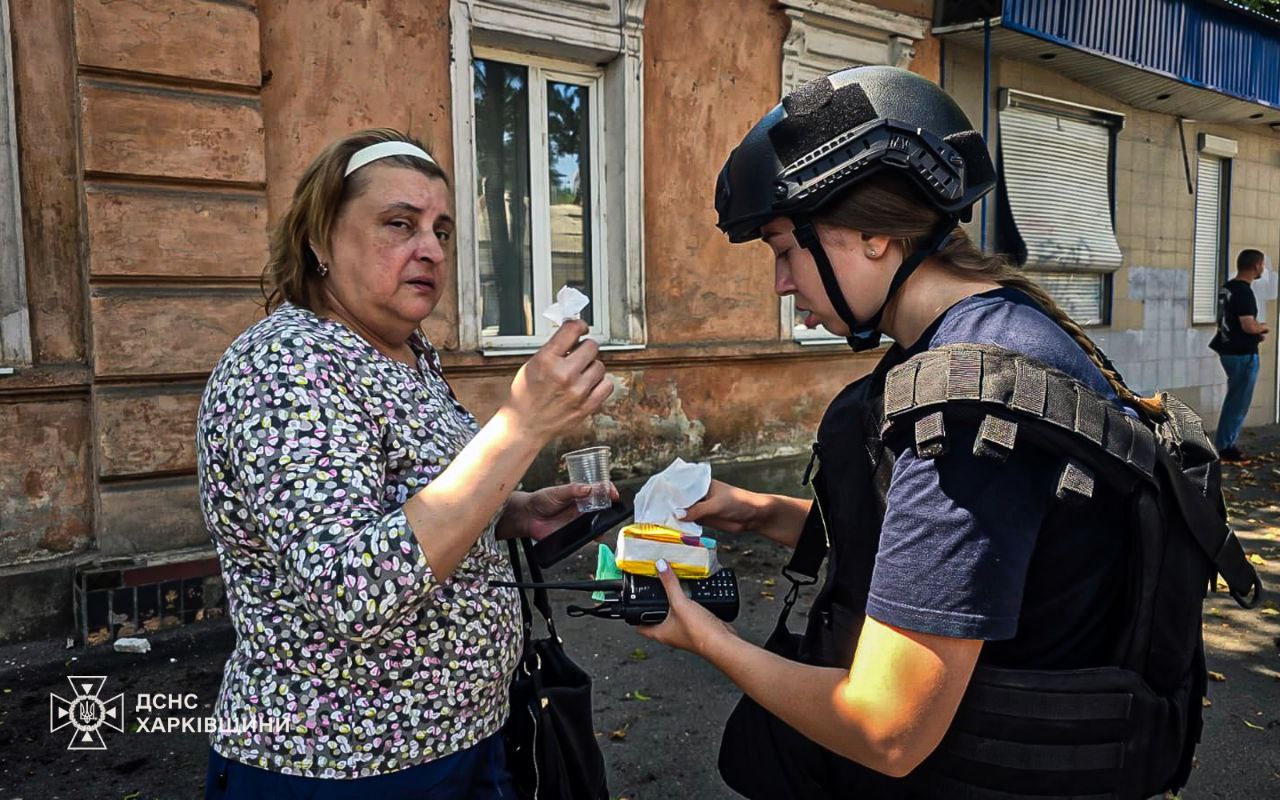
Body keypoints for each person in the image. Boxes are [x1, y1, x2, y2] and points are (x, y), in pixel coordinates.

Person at [636, 66, 1203, 798]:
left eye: (784, 249)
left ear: (871, 234)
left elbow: (886, 728)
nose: (780, 284)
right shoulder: (1003, 334)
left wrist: (702, 636)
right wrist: (753, 512)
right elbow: (952, 550)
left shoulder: (970, 409)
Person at [196, 128, 613, 798]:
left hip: (463, 740)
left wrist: (512, 513)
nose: (430, 249)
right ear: (319, 239)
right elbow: (353, 591)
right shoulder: (288, 365)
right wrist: (521, 426)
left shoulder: (409, 354)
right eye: (399, 223)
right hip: (341, 764)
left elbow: (414, 505)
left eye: (442, 230)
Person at [1210, 249, 1270, 460]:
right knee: (1239, 402)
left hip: (1227, 350)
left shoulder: (1227, 289)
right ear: (1256, 266)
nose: (1263, 268)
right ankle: (1226, 446)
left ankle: (1224, 442)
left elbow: (1231, 323)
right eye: (1262, 265)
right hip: (1243, 354)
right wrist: (1262, 328)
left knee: (1233, 399)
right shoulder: (1244, 292)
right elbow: (1247, 325)